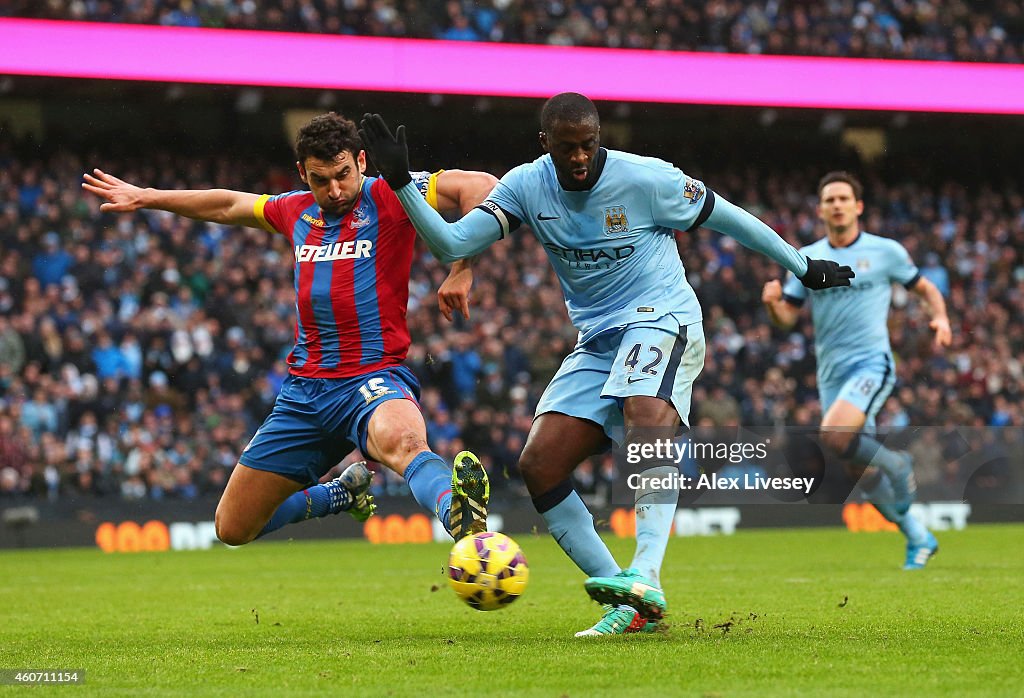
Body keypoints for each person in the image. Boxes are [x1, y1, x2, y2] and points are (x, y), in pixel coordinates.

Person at [357, 94, 854, 636]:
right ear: (544, 143)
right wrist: (403, 180)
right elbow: (451, 240)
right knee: (539, 464)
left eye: (588, 145)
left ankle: (646, 572)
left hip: (661, 317)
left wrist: (801, 267)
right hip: (597, 339)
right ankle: (630, 603)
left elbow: (728, 218)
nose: (579, 157)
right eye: (567, 147)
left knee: (647, 409)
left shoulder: (646, 179)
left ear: (599, 138)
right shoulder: (525, 186)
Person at [82, 112, 498, 547]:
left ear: (361, 161)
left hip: (372, 377)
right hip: (304, 393)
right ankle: (339, 494)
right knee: (233, 527)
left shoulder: (394, 192)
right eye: (321, 180)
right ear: (303, 174)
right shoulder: (295, 210)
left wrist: (461, 264)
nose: (334, 190)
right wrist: (148, 197)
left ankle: (458, 515)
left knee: (405, 441)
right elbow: (228, 204)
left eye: (342, 175)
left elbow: (481, 186)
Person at [762, 171, 950, 570]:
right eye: (829, 199)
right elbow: (787, 319)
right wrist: (772, 303)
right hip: (831, 373)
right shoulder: (806, 257)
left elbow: (927, 289)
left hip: (871, 362)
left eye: (843, 198)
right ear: (820, 209)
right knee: (858, 471)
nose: (836, 205)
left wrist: (941, 319)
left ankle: (898, 464)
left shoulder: (886, 252)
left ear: (858, 206)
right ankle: (918, 536)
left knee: (834, 433)